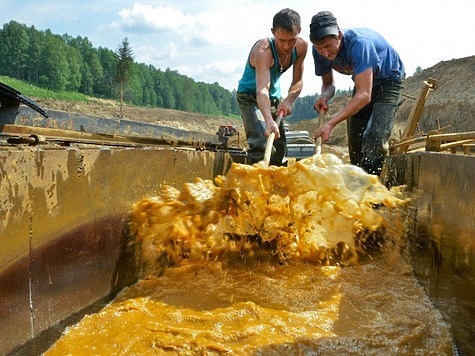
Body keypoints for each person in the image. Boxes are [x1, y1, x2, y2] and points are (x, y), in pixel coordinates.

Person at [310, 11, 405, 176]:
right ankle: (359, 182)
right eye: (319, 48)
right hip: (363, 83)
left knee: (375, 136)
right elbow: (328, 84)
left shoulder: (360, 44)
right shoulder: (318, 52)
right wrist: (324, 96)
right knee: (356, 136)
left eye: (328, 46)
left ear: (338, 35)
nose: (324, 53)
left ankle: (374, 190)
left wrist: (330, 124)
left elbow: (364, 95)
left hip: (389, 80)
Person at [237, 8, 308, 166]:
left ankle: (277, 186)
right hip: (250, 96)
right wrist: (269, 120)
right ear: (273, 32)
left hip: (274, 97)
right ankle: (256, 185)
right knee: (261, 142)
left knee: (279, 147)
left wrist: (289, 100)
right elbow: (262, 90)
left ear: (299, 32)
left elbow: (298, 81)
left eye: (291, 40)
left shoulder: (302, 47)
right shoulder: (264, 50)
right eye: (281, 40)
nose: (286, 46)